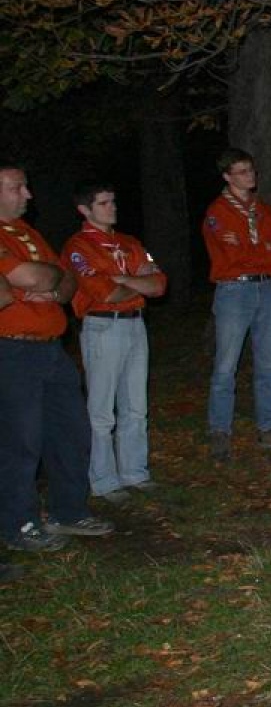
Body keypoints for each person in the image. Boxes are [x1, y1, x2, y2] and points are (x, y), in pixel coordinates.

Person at [1, 165, 115, 552]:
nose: (28, 194)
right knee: (20, 440)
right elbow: (31, 277)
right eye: (17, 187)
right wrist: (40, 280)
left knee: (71, 431)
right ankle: (19, 523)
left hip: (52, 348)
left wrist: (44, 284)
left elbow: (66, 281)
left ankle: (69, 510)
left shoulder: (27, 233)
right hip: (13, 350)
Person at [64, 181, 167, 504]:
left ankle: (135, 471)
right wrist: (136, 283)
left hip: (136, 324)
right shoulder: (79, 247)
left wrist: (124, 280)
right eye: (104, 203)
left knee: (136, 404)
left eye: (113, 201)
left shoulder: (130, 242)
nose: (112, 208)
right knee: (102, 408)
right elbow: (104, 292)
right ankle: (103, 479)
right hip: (103, 327)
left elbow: (159, 284)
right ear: (85, 209)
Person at [203, 148, 271, 459]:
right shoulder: (218, 212)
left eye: (251, 170)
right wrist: (260, 249)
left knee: (269, 363)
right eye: (242, 171)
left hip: (266, 289)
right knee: (226, 364)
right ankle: (220, 429)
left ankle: (269, 427)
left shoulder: (264, 211)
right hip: (234, 291)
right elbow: (231, 256)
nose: (250, 176)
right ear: (227, 176)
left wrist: (251, 248)